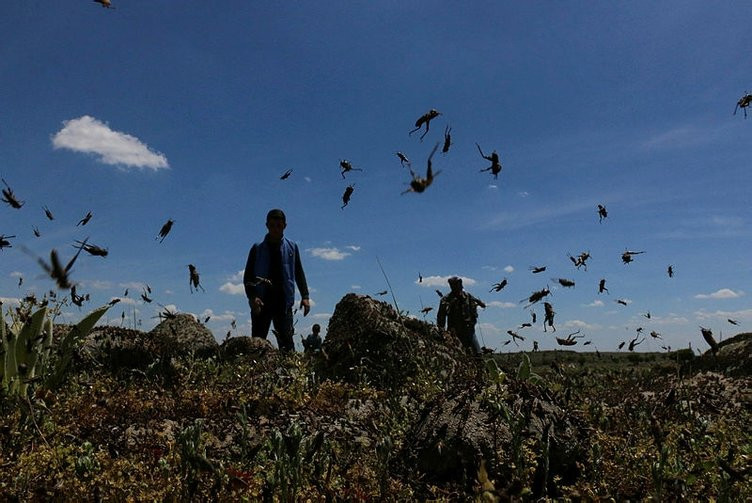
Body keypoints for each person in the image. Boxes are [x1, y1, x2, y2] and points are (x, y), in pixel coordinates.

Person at [244, 209, 310, 351]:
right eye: (272, 225)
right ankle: (255, 372)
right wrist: (253, 297)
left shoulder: (292, 247)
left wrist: (305, 296)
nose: (275, 229)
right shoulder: (257, 249)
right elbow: (248, 277)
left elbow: (298, 272)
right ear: (266, 225)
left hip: (283, 303)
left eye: (278, 225)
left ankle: (288, 373)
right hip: (262, 303)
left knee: (286, 344)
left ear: (284, 226)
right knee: (258, 343)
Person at [436, 276, 486, 354]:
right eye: (453, 285)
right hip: (454, 332)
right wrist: (442, 332)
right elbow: (441, 317)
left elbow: (478, 303)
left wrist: (481, 304)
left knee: (477, 354)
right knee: (457, 354)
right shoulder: (446, 299)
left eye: (458, 284)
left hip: (469, 331)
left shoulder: (467, 296)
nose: (456, 286)